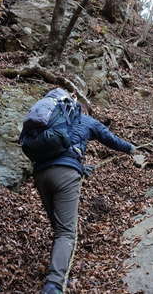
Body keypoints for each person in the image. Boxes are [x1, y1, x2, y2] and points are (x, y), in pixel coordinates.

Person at [20, 89, 136, 294]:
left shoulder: (49, 120)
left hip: (40, 175)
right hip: (65, 176)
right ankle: (54, 284)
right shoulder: (87, 121)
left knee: (59, 228)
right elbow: (110, 139)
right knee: (66, 232)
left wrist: (80, 167)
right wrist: (130, 148)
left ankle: (58, 267)